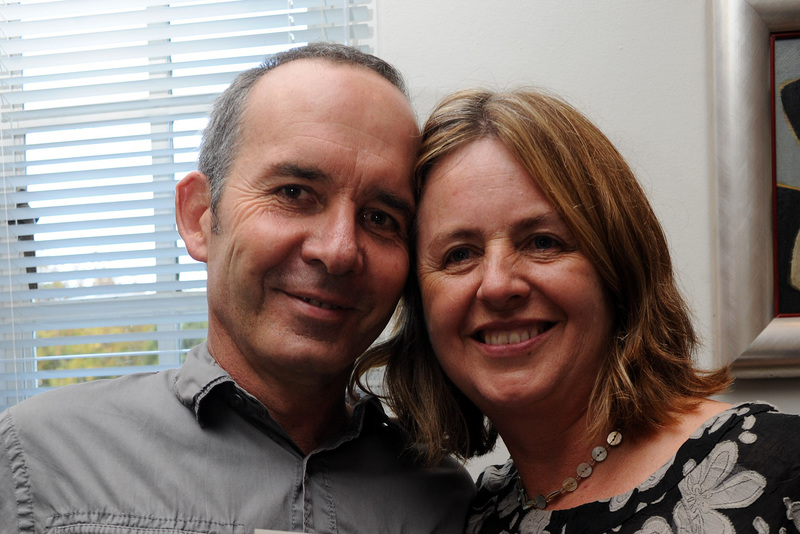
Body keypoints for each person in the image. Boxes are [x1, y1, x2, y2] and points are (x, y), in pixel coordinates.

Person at [0, 43, 475, 533]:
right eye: (294, 193)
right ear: (199, 217)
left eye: (380, 217)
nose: (338, 250)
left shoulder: (446, 500)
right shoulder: (40, 462)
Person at [355, 88, 800, 533]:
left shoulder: (783, 472)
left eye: (542, 242)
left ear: (618, 267)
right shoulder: (478, 515)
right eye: (459, 254)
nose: (497, 285)